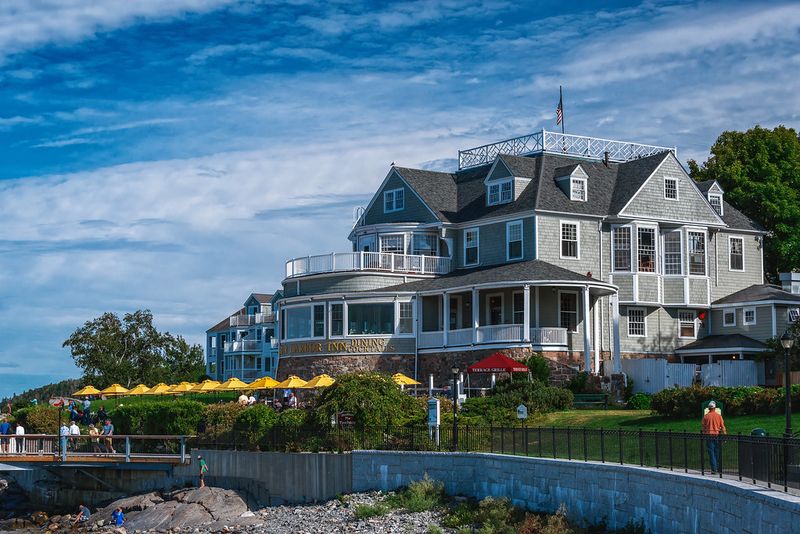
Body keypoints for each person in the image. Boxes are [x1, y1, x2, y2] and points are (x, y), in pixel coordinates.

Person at [702, 400, 727, 473]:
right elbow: (723, 427)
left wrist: (704, 434)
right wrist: (725, 436)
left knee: (711, 452)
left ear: (709, 408)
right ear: (715, 408)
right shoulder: (719, 416)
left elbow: (703, 427)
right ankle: (717, 467)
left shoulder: (706, 416)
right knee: (717, 451)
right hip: (717, 435)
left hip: (709, 435)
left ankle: (714, 468)